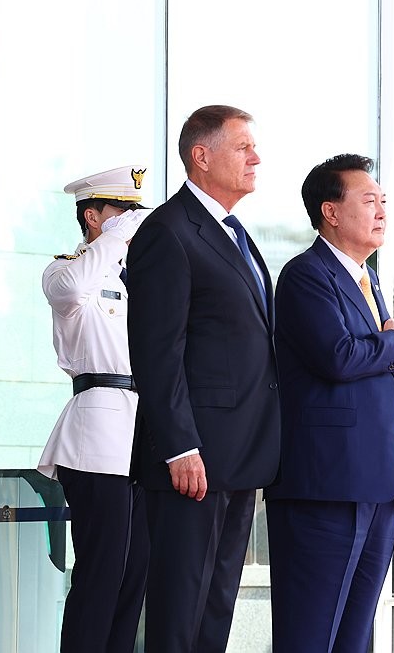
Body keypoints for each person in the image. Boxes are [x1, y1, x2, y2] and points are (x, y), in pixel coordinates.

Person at [126, 105, 280, 652]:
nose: (256, 157)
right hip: (192, 460)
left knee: (216, 609)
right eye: (243, 147)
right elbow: (156, 353)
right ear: (202, 155)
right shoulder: (167, 232)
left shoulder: (236, 233)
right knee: (178, 612)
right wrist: (178, 446)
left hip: (238, 458)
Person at [265, 153, 394, 651]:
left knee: (355, 635)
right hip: (325, 485)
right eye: (368, 200)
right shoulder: (306, 274)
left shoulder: (366, 279)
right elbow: (337, 357)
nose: (381, 211)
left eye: (383, 202)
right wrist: (393, 343)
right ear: (330, 211)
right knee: (311, 632)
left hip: (376, 483)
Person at [37, 166, 150, 653]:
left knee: (134, 576)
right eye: (121, 211)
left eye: (134, 213)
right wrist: (111, 238)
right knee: (101, 574)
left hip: (142, 436)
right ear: (92, 216)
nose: (131, 221)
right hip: (96, 438)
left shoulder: (135, 278)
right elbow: (71, 290)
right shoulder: (66, 270)